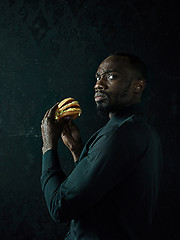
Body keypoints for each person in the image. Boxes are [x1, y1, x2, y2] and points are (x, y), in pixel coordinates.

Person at [40, 52, 162, 240]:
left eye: (111, 76)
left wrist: (49, 147)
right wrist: (77, 151)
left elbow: (60, 207)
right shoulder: (143, 130)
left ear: (138, 85)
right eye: (98, 77)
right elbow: (104, 195)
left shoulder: (116, 135)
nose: (98, 84)